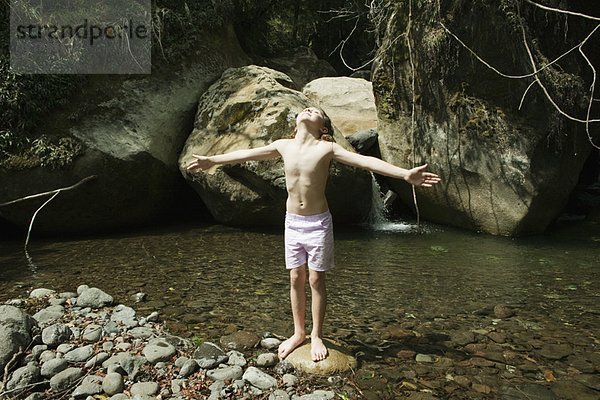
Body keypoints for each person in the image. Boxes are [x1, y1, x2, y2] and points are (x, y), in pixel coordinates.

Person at [186, 107, 441, 362]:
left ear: (323, 128)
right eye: (305, 109)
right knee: (296, 277)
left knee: (316, 280)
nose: (308, 110)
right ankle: (298, 333)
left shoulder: (326, 148)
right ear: (296, 124)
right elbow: (246, 154)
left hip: (318, 223)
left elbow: (366, 162)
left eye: (315, 111)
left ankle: (316, 334)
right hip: (292, 222)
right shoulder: (283, 145)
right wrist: (214, 160)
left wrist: (405, 174)